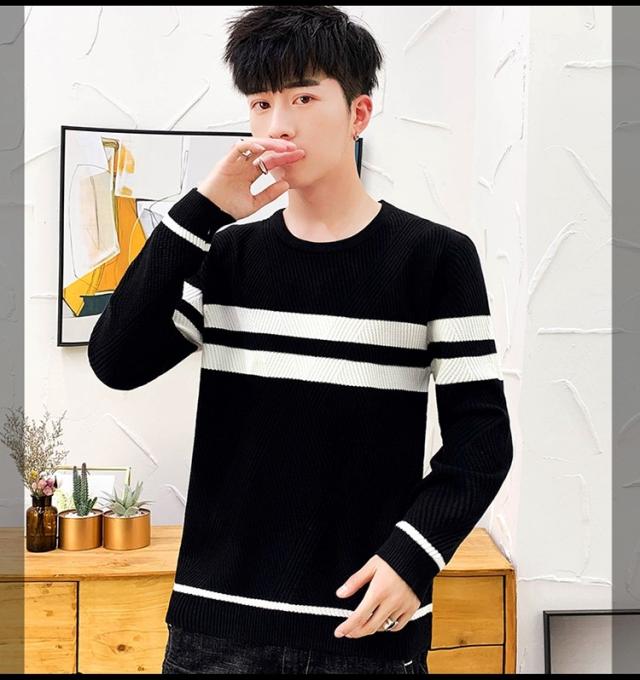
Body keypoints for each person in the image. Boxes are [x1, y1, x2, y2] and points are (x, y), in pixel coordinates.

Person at [87, 5, 513, 675]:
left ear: (359, 114)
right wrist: (201, 210)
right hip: (216, 633)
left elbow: (481, 442)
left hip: (363, 629)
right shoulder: (227, 257)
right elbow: (115, 361)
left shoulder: (435, 258)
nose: (277, 124)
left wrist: (414, 557)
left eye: (303, 98)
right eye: (261, 104)